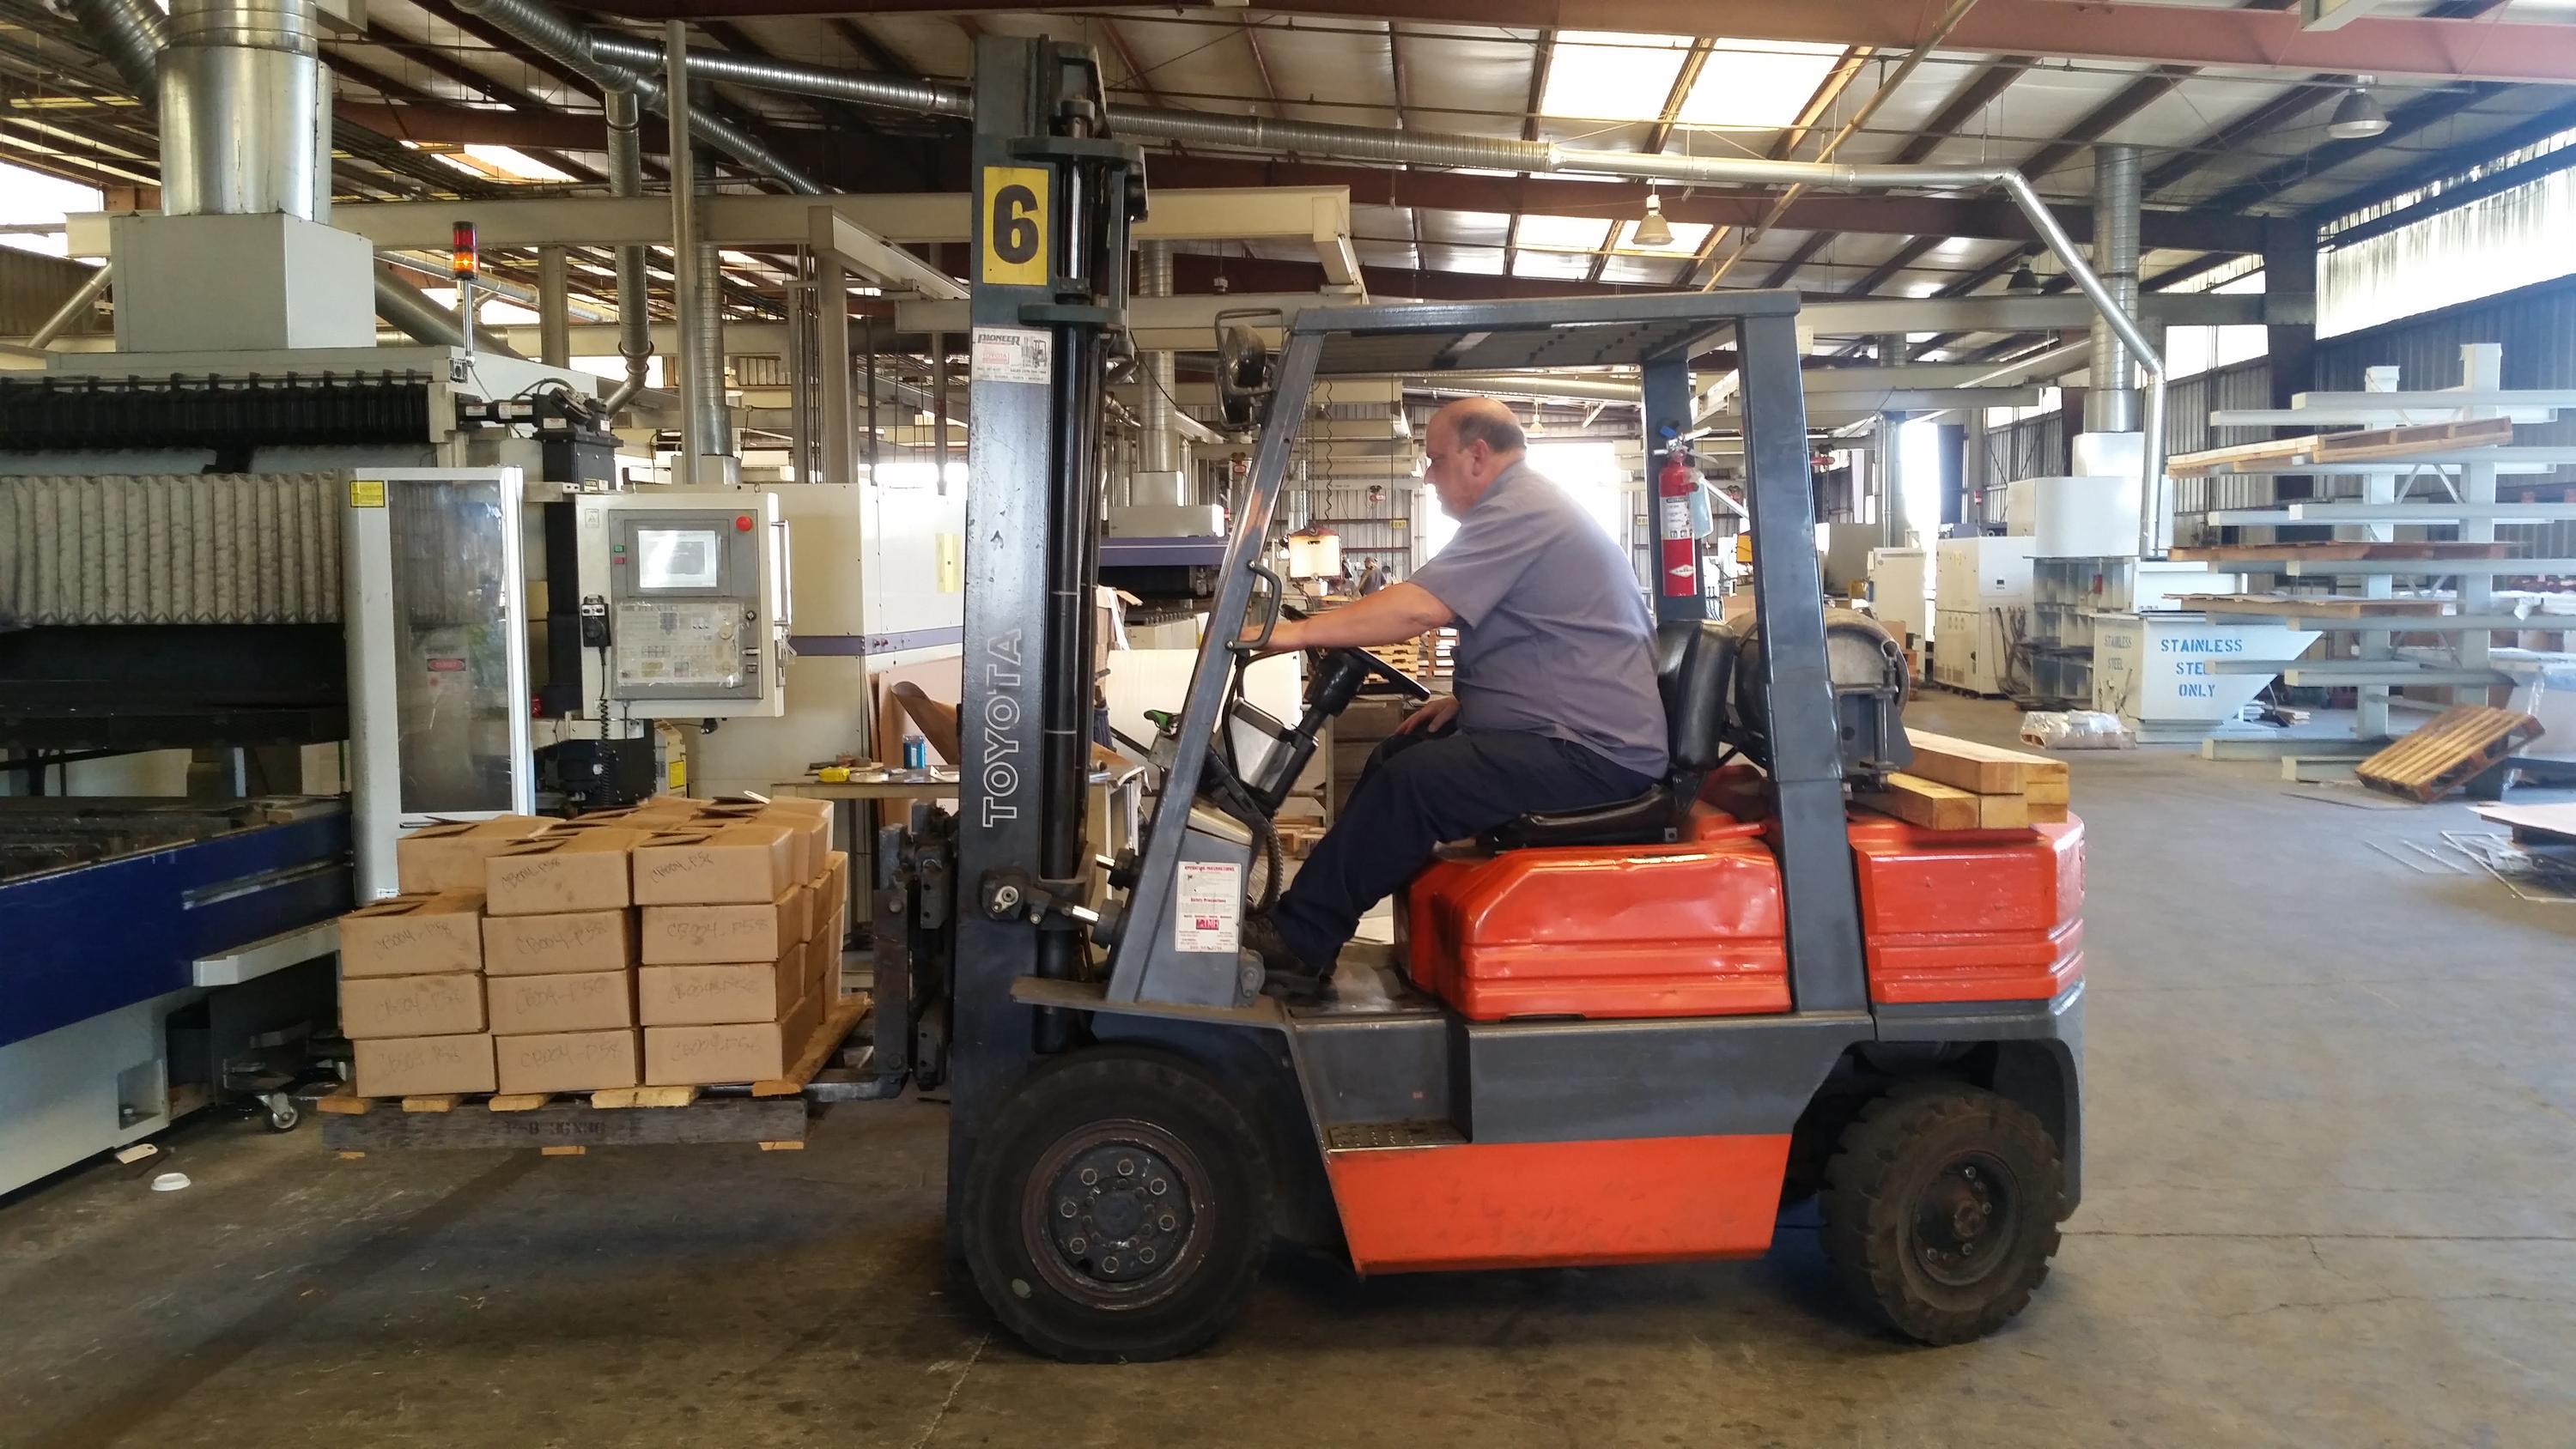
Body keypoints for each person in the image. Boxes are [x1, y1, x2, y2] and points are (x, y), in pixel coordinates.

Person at [1240, 397, 1668, 997]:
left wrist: (1291, 633)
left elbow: (1421, 605)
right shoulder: (1523, 505)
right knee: (1400, 751)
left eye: (1435, 461)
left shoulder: (1522, 507)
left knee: (1415, 782)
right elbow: (1546, 634)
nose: (1428, 476)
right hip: (1568, 732)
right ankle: (1314, 924)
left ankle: (1303, 936)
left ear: (1477, 456)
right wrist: (1469, 704)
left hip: (1592, 753)